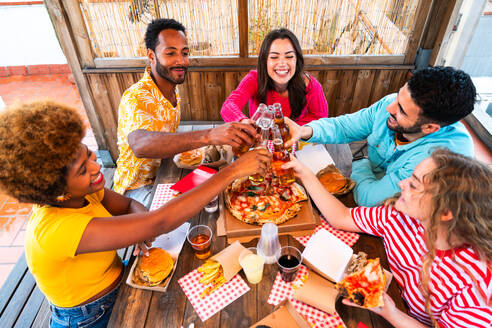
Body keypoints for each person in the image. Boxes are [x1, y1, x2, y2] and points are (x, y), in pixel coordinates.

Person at [0, 101, 271, 328]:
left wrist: (142, 230)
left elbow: (131, 208)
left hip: (122, 279)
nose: (96, 167)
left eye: (90, 155)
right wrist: (232, 171)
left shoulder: (82, 193)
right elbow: (160, 222)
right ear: (57, 191)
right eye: (83, 169)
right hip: (90, 317)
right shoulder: (55, 230)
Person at [283, 149, 491, 327]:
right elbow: (342, 217)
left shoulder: (476, 290)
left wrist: (392, 313)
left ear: (445, 212)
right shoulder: (400, 216)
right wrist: (305, 174)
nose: (402, 183)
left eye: (414, 185)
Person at [114, 18, 257, 206]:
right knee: (200, 207)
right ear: (151, 55)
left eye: (185, 53)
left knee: (223, 191)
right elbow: (139, 145)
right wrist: (209, 135)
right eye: (170, 53)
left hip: (166, 172)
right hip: (137, 190)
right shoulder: (136, 96)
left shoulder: (171, 88)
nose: (180, 61)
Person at [284, 66, 476, 206]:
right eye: (398, 97)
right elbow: (344, 126)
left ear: (430, 128)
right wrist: (303, 131)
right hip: (369, 185)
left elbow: (370, 199)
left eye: (401, 110)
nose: (388, 108)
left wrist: (360, 161)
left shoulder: (437, 159)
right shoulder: (393, 104)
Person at [220, 28, 328, 126]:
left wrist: (293, 128)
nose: (282, 63)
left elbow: (321, 118)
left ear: (297, 60)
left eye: (289, 56)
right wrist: (243, 121)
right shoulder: (254, 79)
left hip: (296, 141)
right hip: (261, 140)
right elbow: (228, 106)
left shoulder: (311, 85)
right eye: (274, 57)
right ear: (265, 61)